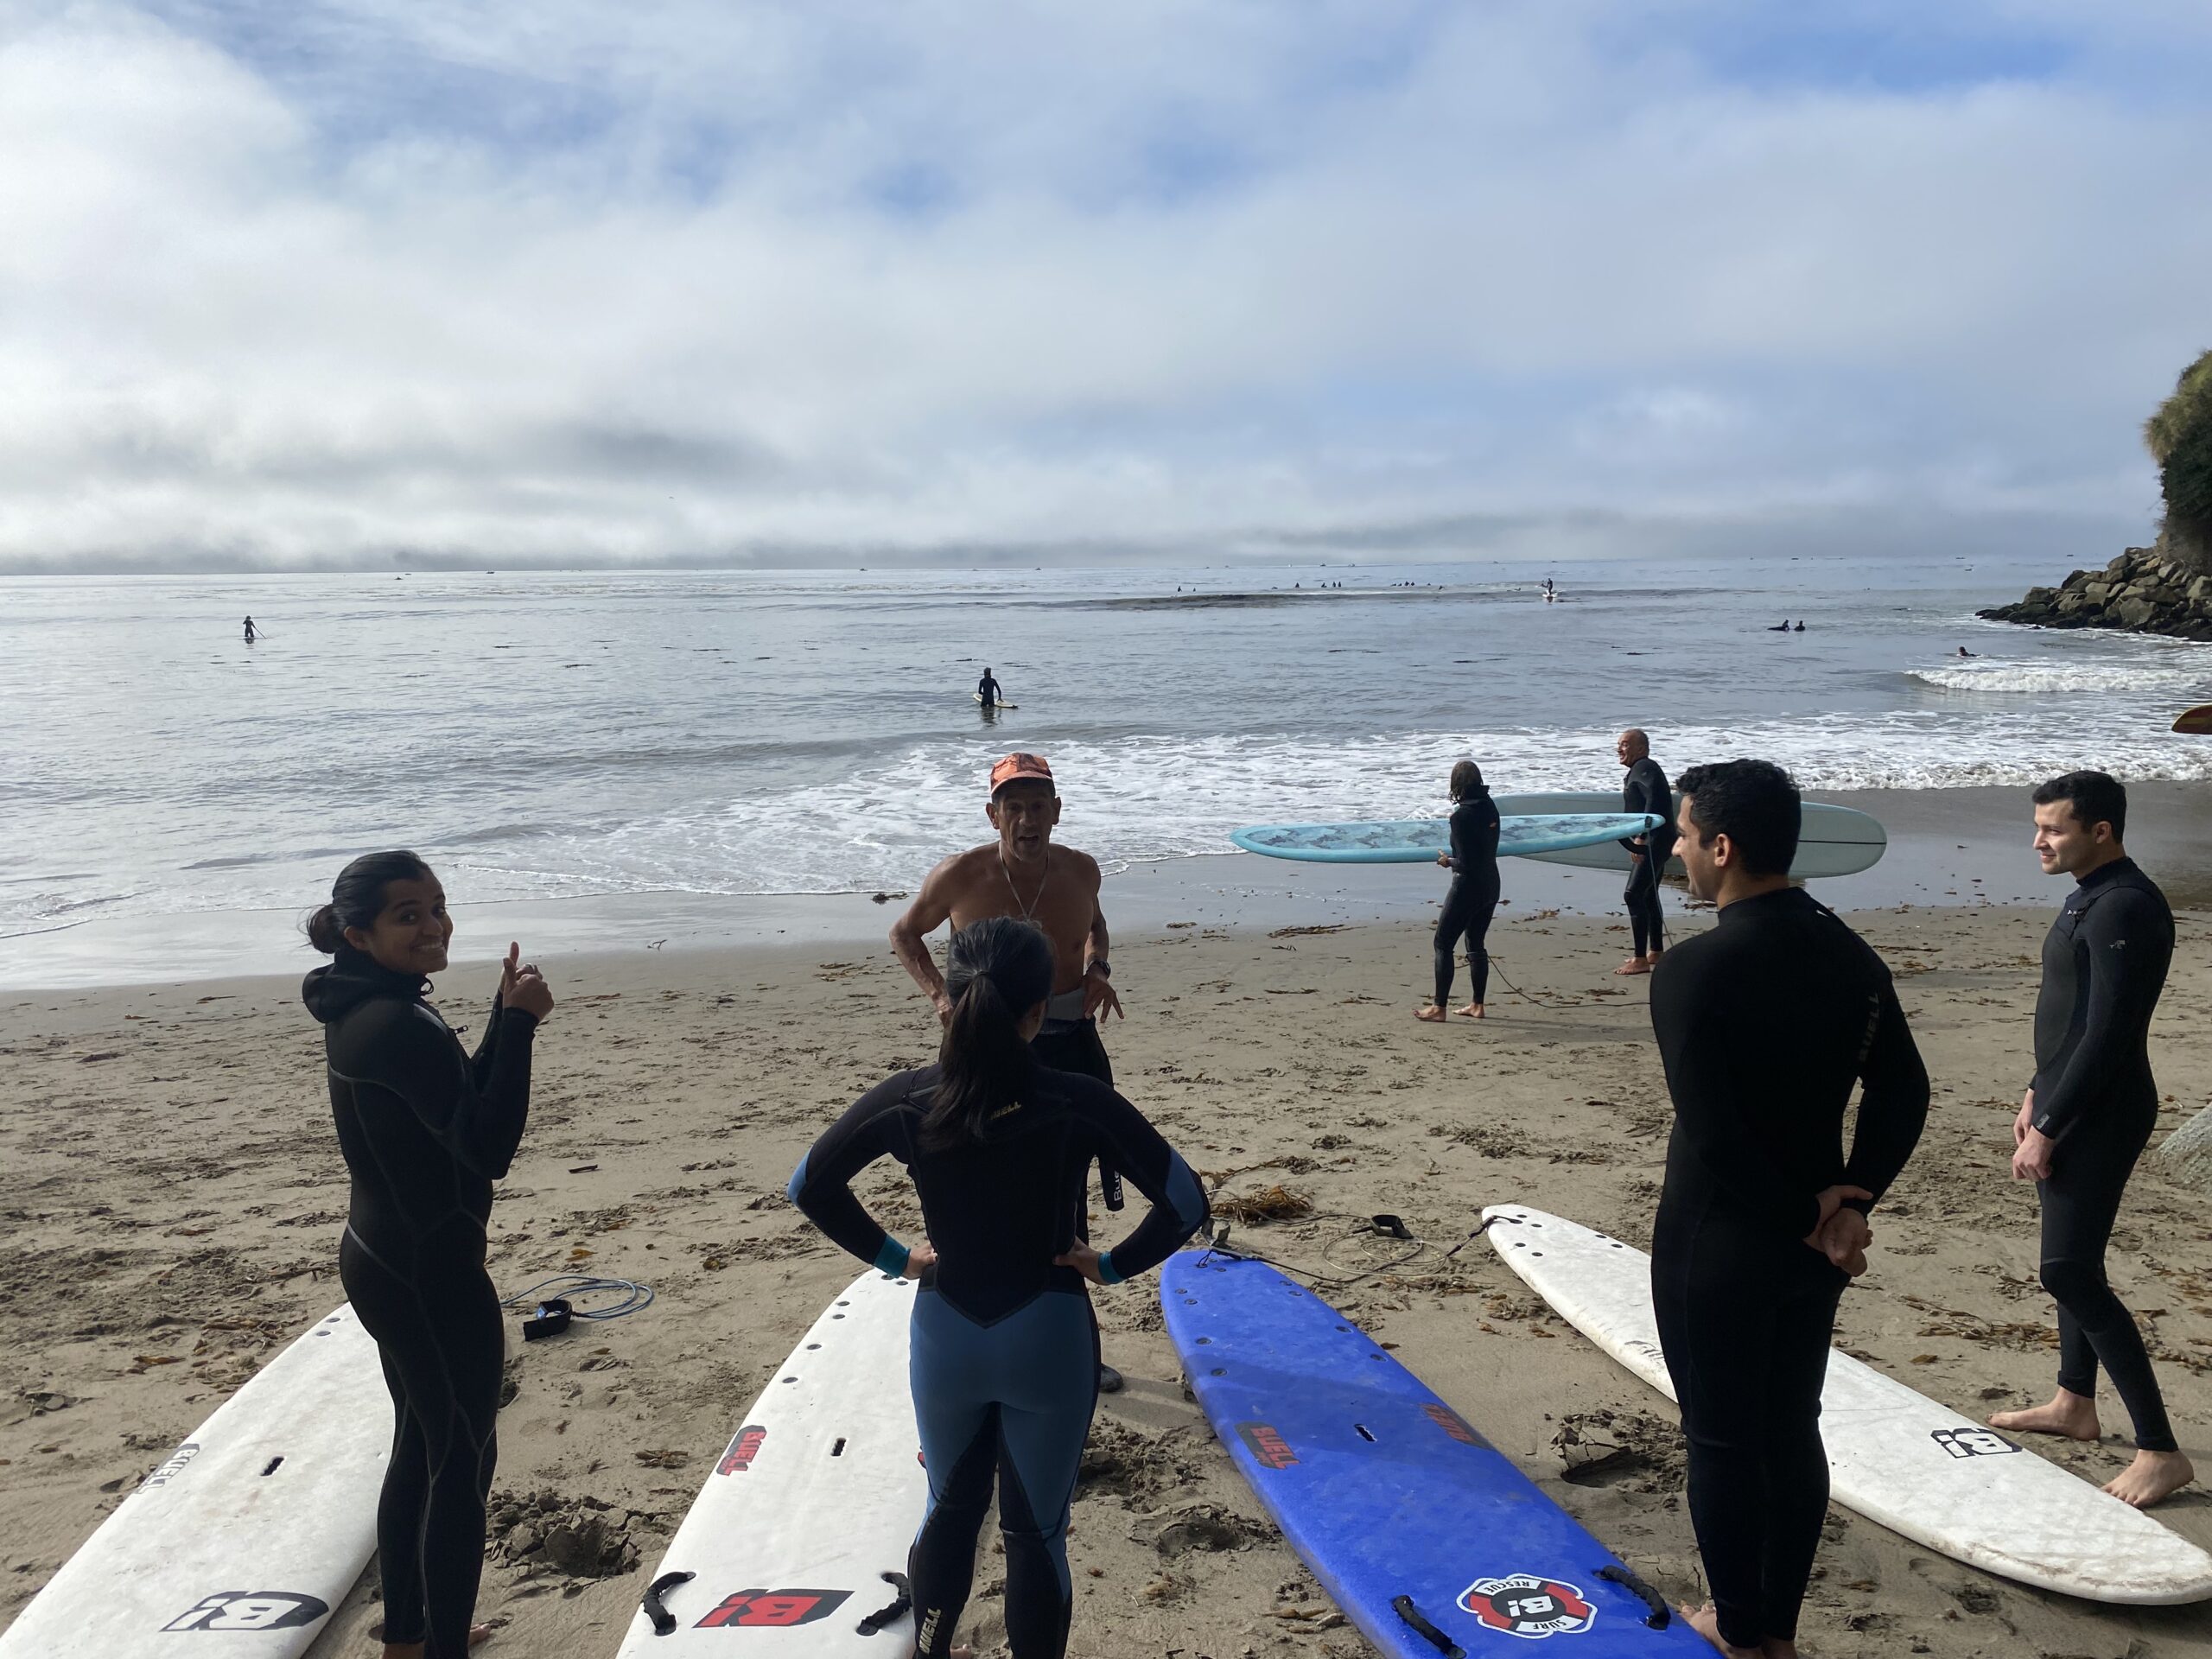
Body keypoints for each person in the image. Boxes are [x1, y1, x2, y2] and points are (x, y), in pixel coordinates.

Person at [790, 918, 1206, 1659]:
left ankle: (929, 1648)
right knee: (1034, 1533)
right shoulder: (1077, 1099)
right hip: (1047, 1337)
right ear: (1040, 1011)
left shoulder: (908, 1099)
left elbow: (810, 1185)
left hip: (945, 1334)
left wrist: (897, 1258)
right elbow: (1185, 1201)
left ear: (947, 1004)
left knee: (948, 1509)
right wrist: (1108, 1266)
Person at [1648, 760, 1929, 1657]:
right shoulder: (1848, 952)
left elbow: (1716, 1134)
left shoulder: (1696, 968)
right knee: (1789, 1426)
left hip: (1721, 1238)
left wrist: (1800, 1212)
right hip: (1814, 1249)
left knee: (1723, 1441)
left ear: (1721, 848)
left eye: (1685, 835)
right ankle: (1776, 1630)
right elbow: (1904, 1091)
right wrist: (1850, 1201)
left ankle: (1739, 1633)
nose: (1677, 848)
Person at [302, 852, 553, 1659]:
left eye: (438, 907)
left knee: (422, 1440)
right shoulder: (391, 1023)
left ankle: (408, 1640)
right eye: (408, 914)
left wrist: (497, 1017)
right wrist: (518, 1028)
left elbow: (455, 1107)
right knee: (462, 1458)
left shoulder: (374, 1004)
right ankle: (438, 1649)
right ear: (359, 932)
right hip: (428, 1273)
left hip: (388, 1256)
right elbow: (488, 1145)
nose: (434, 925)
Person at [890, 752, 1128, 1390]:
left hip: (1070, 1038)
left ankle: (1073, 1343)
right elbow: (905, 933)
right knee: (980, 1186)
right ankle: (964, 1326)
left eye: (1038, 804)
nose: (1027, 818)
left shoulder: (1081, 870)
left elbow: (1096, 927)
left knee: (1067, 1193)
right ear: (993, 814)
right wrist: (943, 999)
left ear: (1057, 811)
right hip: (986, 1051)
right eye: (1013, 806)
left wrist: (1099, 969)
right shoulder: (960, 875)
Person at [1987, 771, 2192, 1507]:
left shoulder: (2125, 906)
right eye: (2038, 826)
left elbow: (2108, 1036)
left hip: (2102, 1110)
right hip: (2071, 1099)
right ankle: (2075, 1403)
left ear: (2100, 831)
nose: (2038, 840)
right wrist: (2037, 1091)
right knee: (2069, 1260)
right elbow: (2071, 1019)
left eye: (2054, 829)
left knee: (2069, 1271)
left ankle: (2160, 1451)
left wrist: (2049, 1124)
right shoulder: (2092, 897)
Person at [1417, 760, 1500, 1023]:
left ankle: (1438, 1008)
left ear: (1456, 785)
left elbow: (1464, 862)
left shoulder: (1460, 817)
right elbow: (1481, 852)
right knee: (1476, 944)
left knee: (1442, 944)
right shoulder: (1490, 806)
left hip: (1468, 886)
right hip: (1491, 882)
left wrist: (1446, 861)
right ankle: (1477, 1005)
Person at [1614, 728, 1676, 976]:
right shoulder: (1640, 769)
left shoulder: (1645, 767)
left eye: (1625, 744)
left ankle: (1640, 959)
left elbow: (1656, 800)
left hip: (1655, 841)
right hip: (1658, 839)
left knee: (1633, 895)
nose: (1619, 749)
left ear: (1641, 748)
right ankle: (1656, 952)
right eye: (1618, 744)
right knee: (1648, 894)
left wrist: (1642, 836)